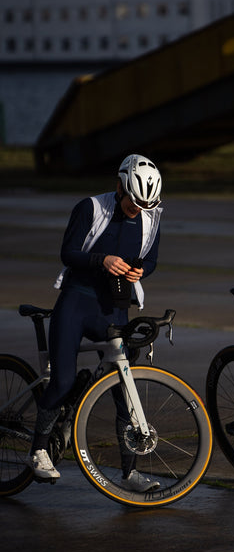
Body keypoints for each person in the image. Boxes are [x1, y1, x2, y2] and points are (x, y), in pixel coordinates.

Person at [29, 154, 163, 492]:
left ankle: (130, 474)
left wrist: (141, 271)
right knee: (62, 380)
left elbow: (152, 259)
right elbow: (68, 253)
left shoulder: (150, 216)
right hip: (77, 300)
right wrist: (101, 259)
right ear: (119, 186)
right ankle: (38, 452)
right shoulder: (90, 208)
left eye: (145, 204)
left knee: (124, 389)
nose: (138, 209)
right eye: (133, 201)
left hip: (114, 308)